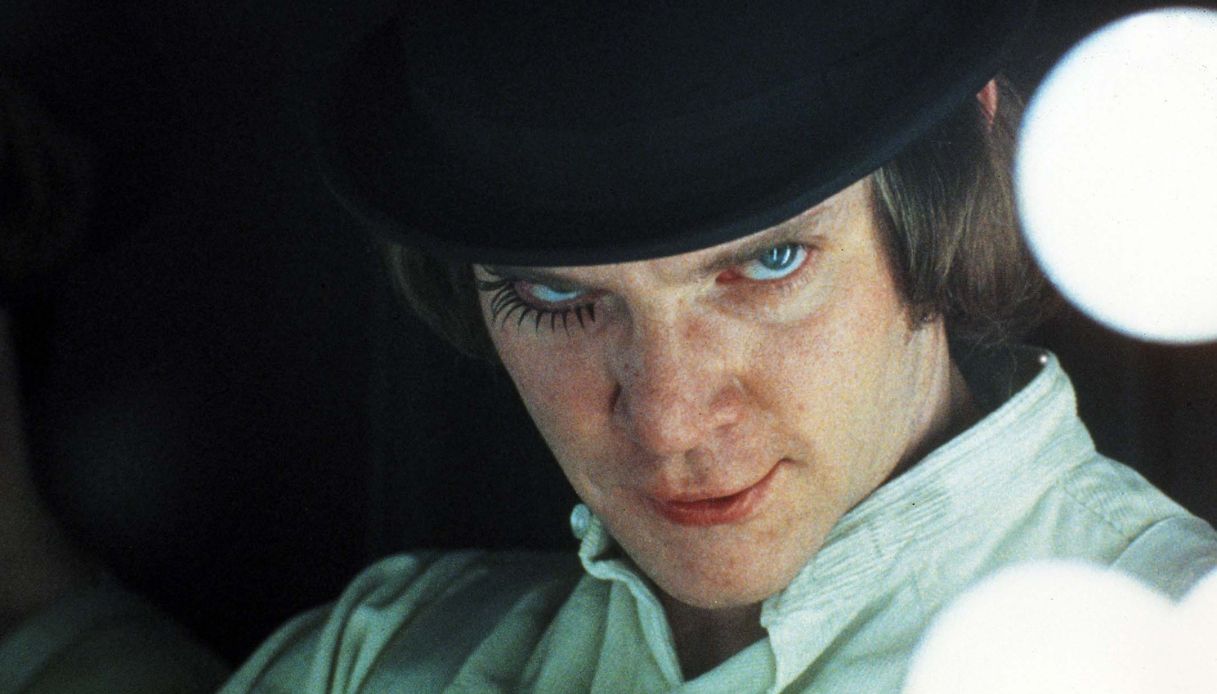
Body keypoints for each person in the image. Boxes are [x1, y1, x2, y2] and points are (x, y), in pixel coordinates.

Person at [4, 2, 1217, 692]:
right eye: (554, 298)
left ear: (948, 183)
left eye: (768, 265)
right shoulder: (392, 653)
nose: (669, 417)